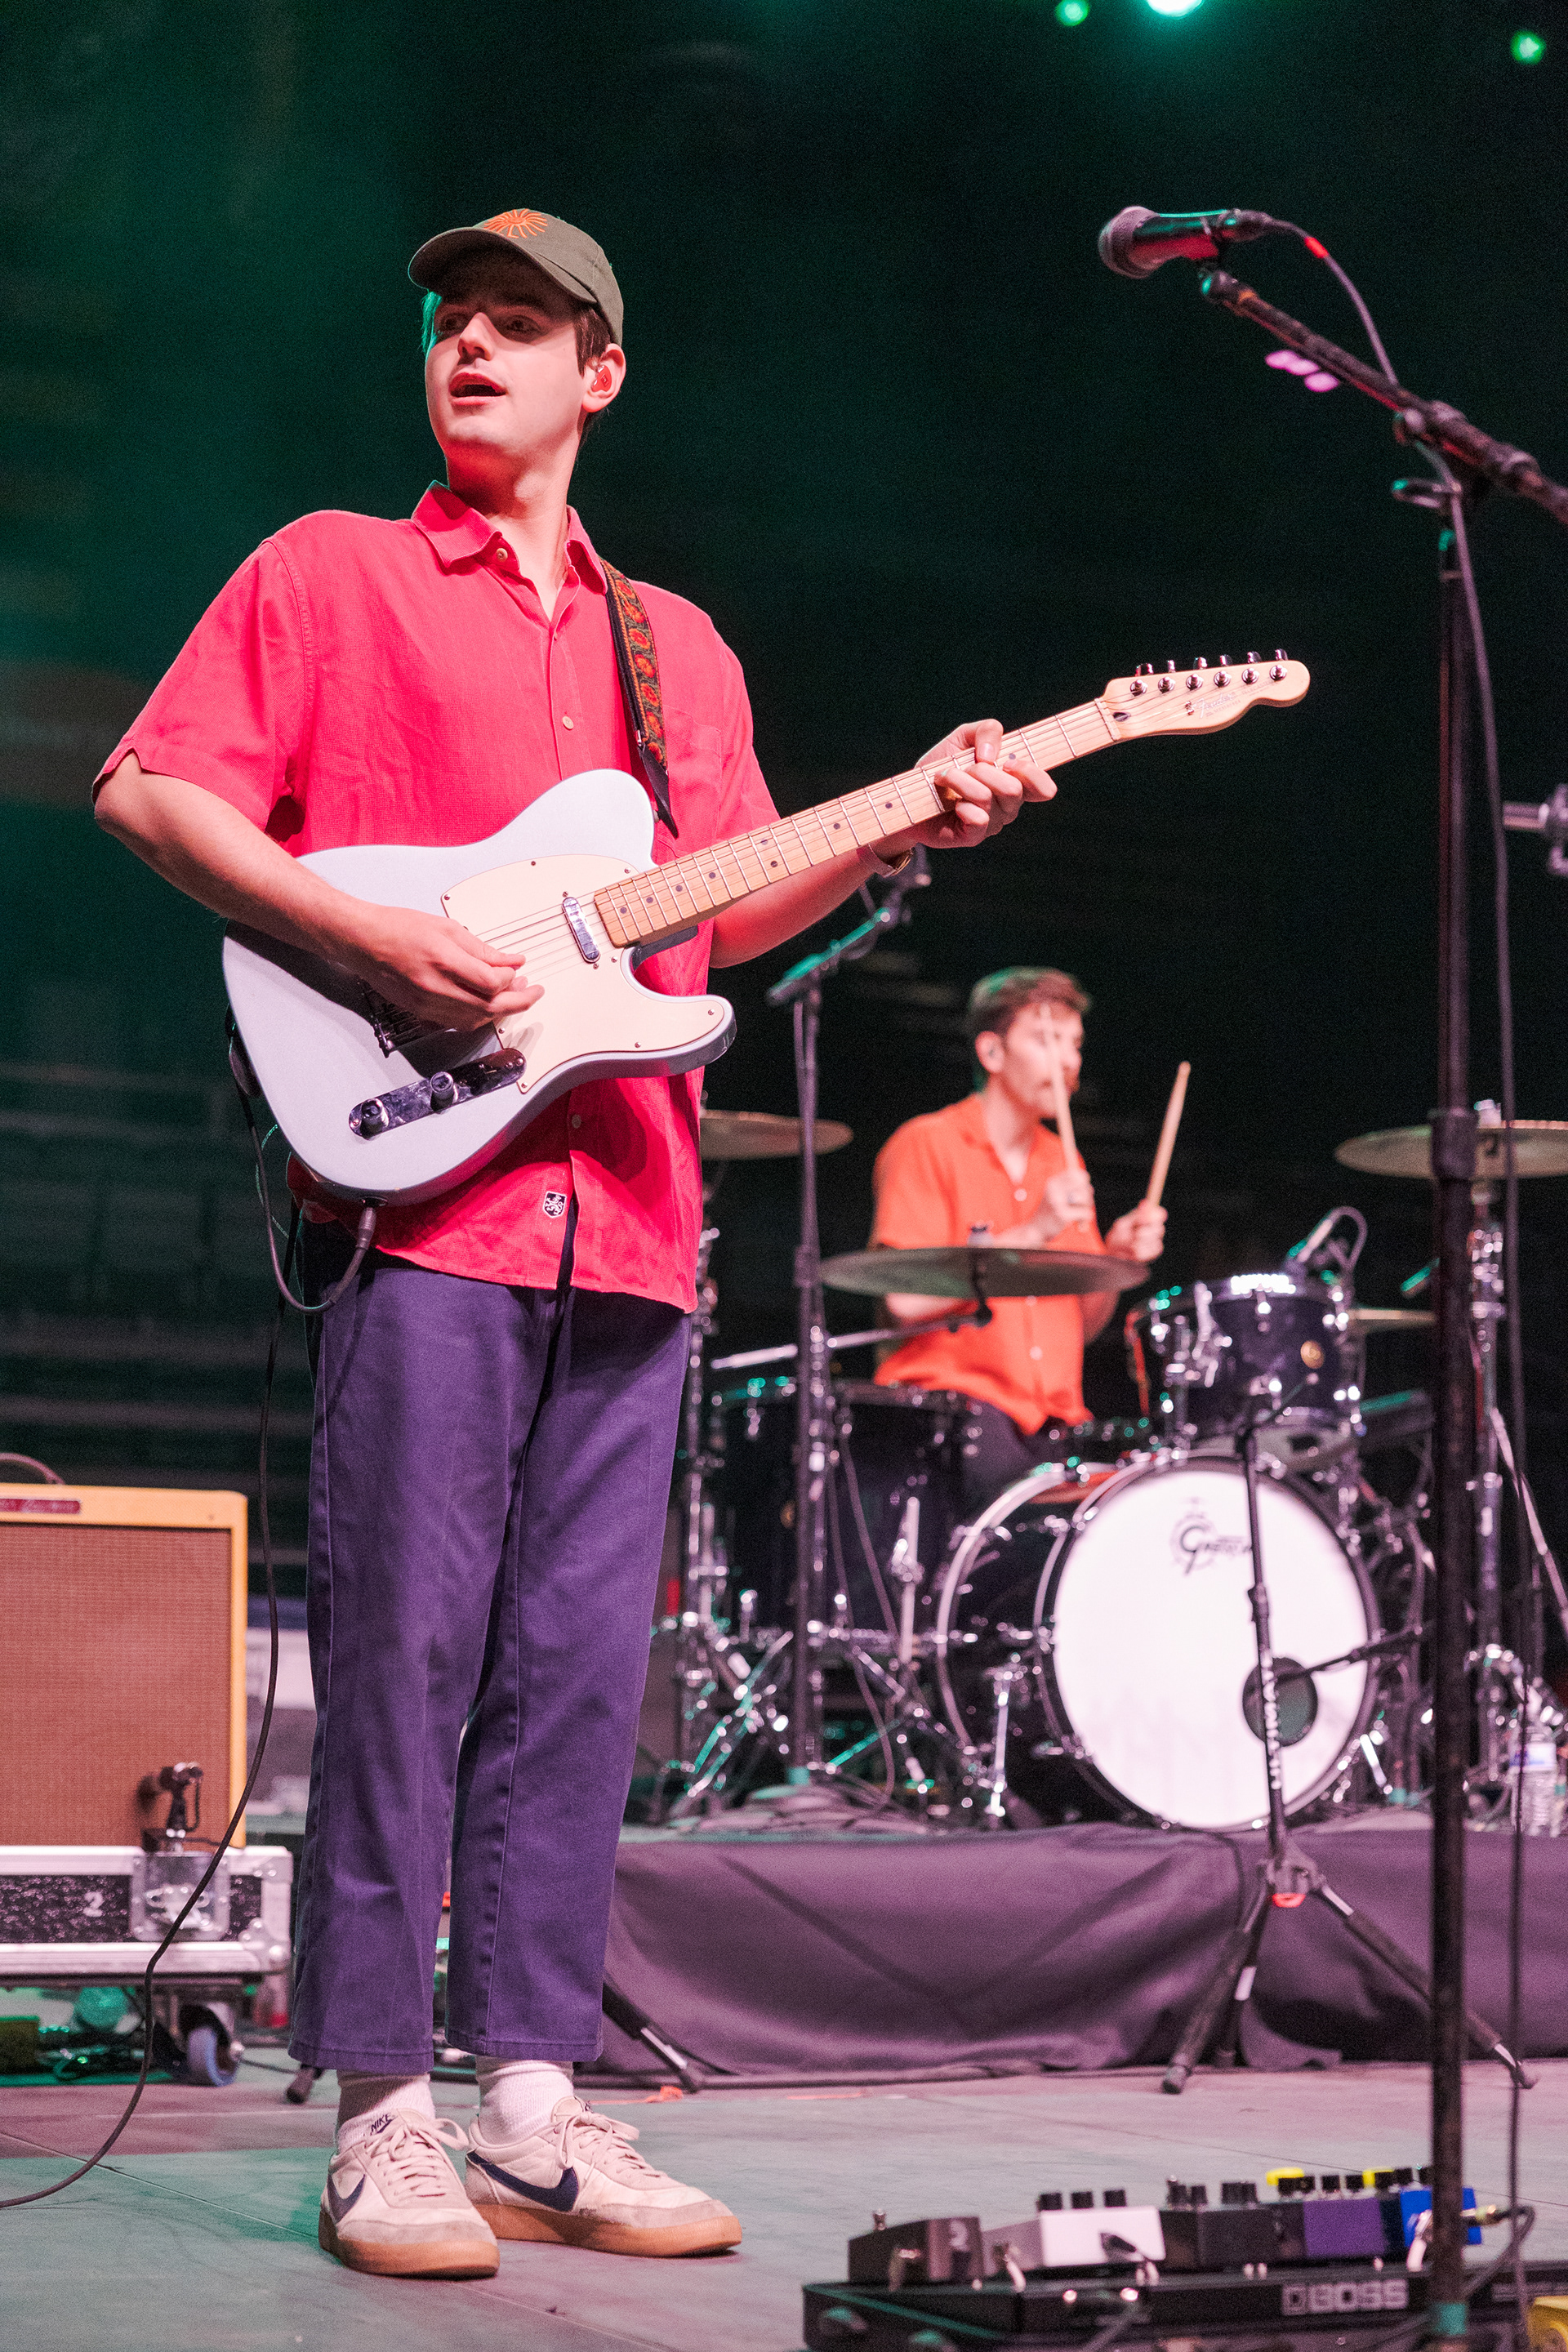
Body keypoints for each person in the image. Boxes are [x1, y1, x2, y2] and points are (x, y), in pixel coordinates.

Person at [92, 207, 1058, 2281]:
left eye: (524, 327)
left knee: (567, 1683)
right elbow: (151, 797)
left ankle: (530, 2094)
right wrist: (365, 938)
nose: (474, 350)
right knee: (403, 1658)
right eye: (454, 321)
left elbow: (706, 918)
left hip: (626, 1216)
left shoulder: (673, 646)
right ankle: (379, 2108)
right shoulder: (327, 571)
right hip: (422, 1204)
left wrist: (903, 815)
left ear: (600, 375)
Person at [871, 966, 1166, 1503]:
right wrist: (1035, 1230)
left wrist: (1114, 1261)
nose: (1070, 1062)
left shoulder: (1063, 1158)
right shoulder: (927, 1144)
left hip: (1054, 1426)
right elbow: (904, 1302)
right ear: (992, 1052)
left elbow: (1080, 1325)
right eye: (1048, 1040)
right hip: (954, 1416)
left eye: (1075, 1045)